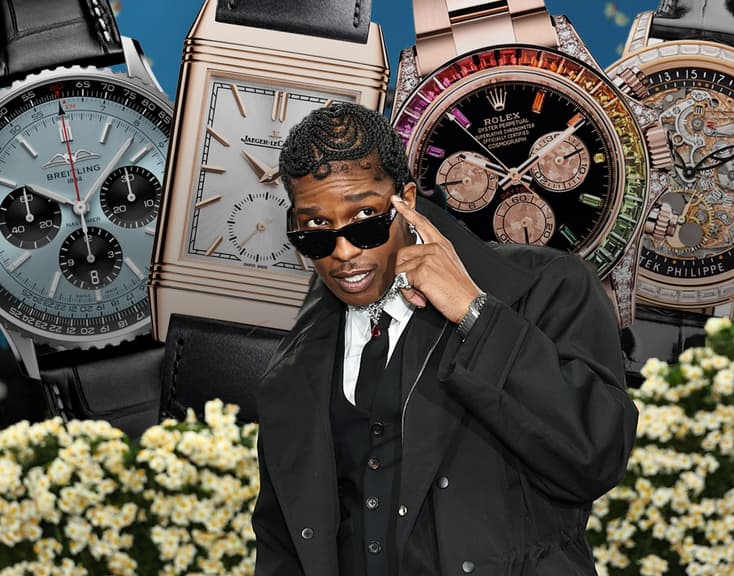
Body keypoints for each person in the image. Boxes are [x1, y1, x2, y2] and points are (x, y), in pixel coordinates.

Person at [250, 101, 638, 576]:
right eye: (316, 228)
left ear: (407, 201)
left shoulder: (548, 286)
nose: (344, 252)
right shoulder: (296, 361)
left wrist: (475, 312)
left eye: (366, 217)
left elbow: (596, 455)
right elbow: (281, 539)